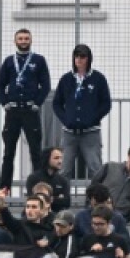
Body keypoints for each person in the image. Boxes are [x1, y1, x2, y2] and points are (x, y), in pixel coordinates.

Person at [0, 29, 52, 191]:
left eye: (26, 38)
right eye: (20, 38)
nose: (23, 41)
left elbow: (46, 85)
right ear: (15, 41)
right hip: (12, 111)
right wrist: (5, 103)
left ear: (31, 40)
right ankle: (4, 187)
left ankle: (38, 187)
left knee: (35, 151)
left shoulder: (38, 60)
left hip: (30, 110)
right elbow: (0, 85)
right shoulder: (8, 61)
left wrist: (37, 103)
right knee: (8, 153)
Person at [51, 44, 112, 181]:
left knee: (95, 168)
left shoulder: (98, 79)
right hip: (69, 133)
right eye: (77, 56)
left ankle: (95, 200)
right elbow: (56, 103)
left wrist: (93, 119)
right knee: (64, 169)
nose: (79, 59)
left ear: (89, 59)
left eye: (83, 56)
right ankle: (62, 200)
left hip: (91, 133)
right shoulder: (66, 79)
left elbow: (106, 103)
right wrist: (66, 119)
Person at [89, 144, 130, 220]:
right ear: (129, 157)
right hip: (99, 215)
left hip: (119, 219)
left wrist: (125, 219)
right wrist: (89, 207)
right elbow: (93, 186)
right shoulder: (110, 167)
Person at [25, 147, 71, 213]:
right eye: (56, 158)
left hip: (56, 216)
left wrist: (46, 198)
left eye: (61, 158)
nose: (60, 161)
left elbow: (67, 202)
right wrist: (57, 198)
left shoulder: (62, 180)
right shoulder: (33, 178)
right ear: (47, 159)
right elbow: (33, 200)